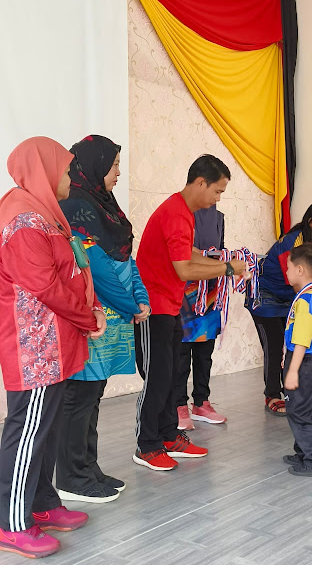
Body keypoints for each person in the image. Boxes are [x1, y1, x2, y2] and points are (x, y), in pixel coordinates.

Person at [0, 137, 106, 559]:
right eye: (65, 170)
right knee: (27, 431)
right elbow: (45, 286)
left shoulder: (43, 213)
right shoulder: (23, 219)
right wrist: (87, 317)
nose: (70, 178)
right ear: (43, 171)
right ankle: (10, 522)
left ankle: (41, 502)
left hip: (54, 343)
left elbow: (70, 272)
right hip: (36, 348)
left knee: (45, 428)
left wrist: (90, 308)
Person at [134, 155, 246, 471]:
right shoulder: (175, 213)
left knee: (170, 377)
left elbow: (189, 254)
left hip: (169, 307)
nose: (218, 198)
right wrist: (227, 268)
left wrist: (224, 264)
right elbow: (184, 269)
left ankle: (170, 436)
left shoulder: (185, 213)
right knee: (157, 380)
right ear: (200, 183)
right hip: (152, 308)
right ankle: (147, 445)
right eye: (217, 191)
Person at [56, 135, 150, 503]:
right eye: (113, 166)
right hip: (91, 319)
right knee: (79, 398)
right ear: (94, 166)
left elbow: (127, 259)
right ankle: (71, 477)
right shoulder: (75, 207)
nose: (118, 173)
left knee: (93, 395)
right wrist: (131, 305)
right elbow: (96, 268)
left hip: (111, 319)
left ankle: (87, 467)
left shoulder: (106, 206)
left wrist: (140, 298)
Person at [245, 201, 312, 418]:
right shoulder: (292, 243)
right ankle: (272, 395)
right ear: (311, 222)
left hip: (289, 297)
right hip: (265, 296)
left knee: (292, 344)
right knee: (274, 345)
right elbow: (298, 280)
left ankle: (291, 391)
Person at [176, 205, 226, 430]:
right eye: (216, 190)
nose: (217, 197)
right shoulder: (182, 215)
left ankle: (201, 402)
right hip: (185, 291)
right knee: (181, 353)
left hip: (210, 290)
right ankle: (178, 405)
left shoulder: (219, 218)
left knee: (205, 351)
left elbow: (220, 250)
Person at [283, 243, 312, 477]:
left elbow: (301, 339)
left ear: (300, 270)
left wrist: (292, 370)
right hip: (310, 362)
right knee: (305, 409)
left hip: (303, 363)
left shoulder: (305, 301)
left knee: (298, 412)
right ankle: (302, 452)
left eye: (288, 267)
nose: (286, 272)